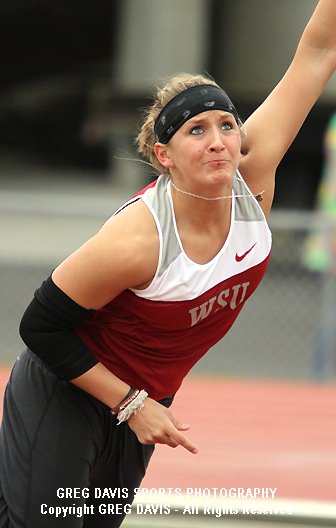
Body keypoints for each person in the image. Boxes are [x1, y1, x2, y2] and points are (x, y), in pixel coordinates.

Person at [1, 0, 336, 526]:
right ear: (165, 155)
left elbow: (320, 49)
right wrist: (133, 404)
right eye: (196, 131)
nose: (219, 141)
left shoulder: (253, 179)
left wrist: (139, 405)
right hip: (69, 391)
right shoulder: (137, 241)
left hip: (143, 402)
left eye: (227, 124)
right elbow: (39, 326)